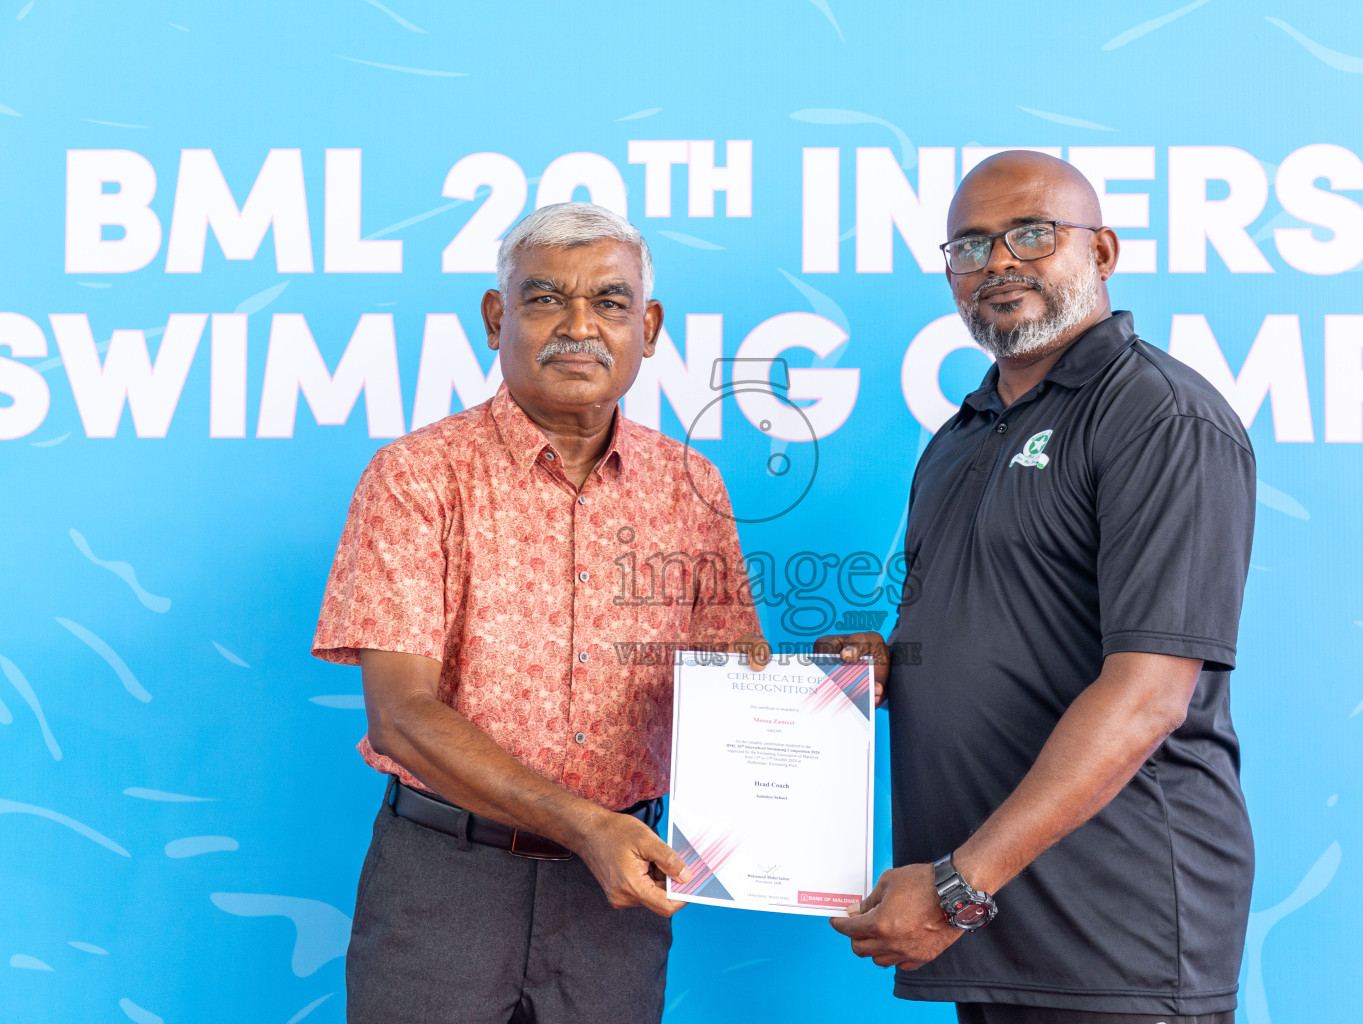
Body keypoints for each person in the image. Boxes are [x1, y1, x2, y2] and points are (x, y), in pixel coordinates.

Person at [820, 151, 1258, 1024]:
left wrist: (954, 887)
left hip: (1113, 931)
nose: (998, 264)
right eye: (971, 247)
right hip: (995, 929)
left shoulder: (1160, 418)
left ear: (1101, 252)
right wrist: (887, 667)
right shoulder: (960, 435)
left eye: (1030, 235)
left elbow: (1146, 699)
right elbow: (1008, 636)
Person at [312, 202, 762, 1024]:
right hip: (443, 881)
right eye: (546, 298)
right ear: (497, 317)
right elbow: (401, 718)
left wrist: (836, 691)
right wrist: (583, 825)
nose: (579, 326)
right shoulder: (416, 477)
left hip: (616, 897)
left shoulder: (693, 489)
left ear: (651, 327)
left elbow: (735, 694)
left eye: (610, 302)